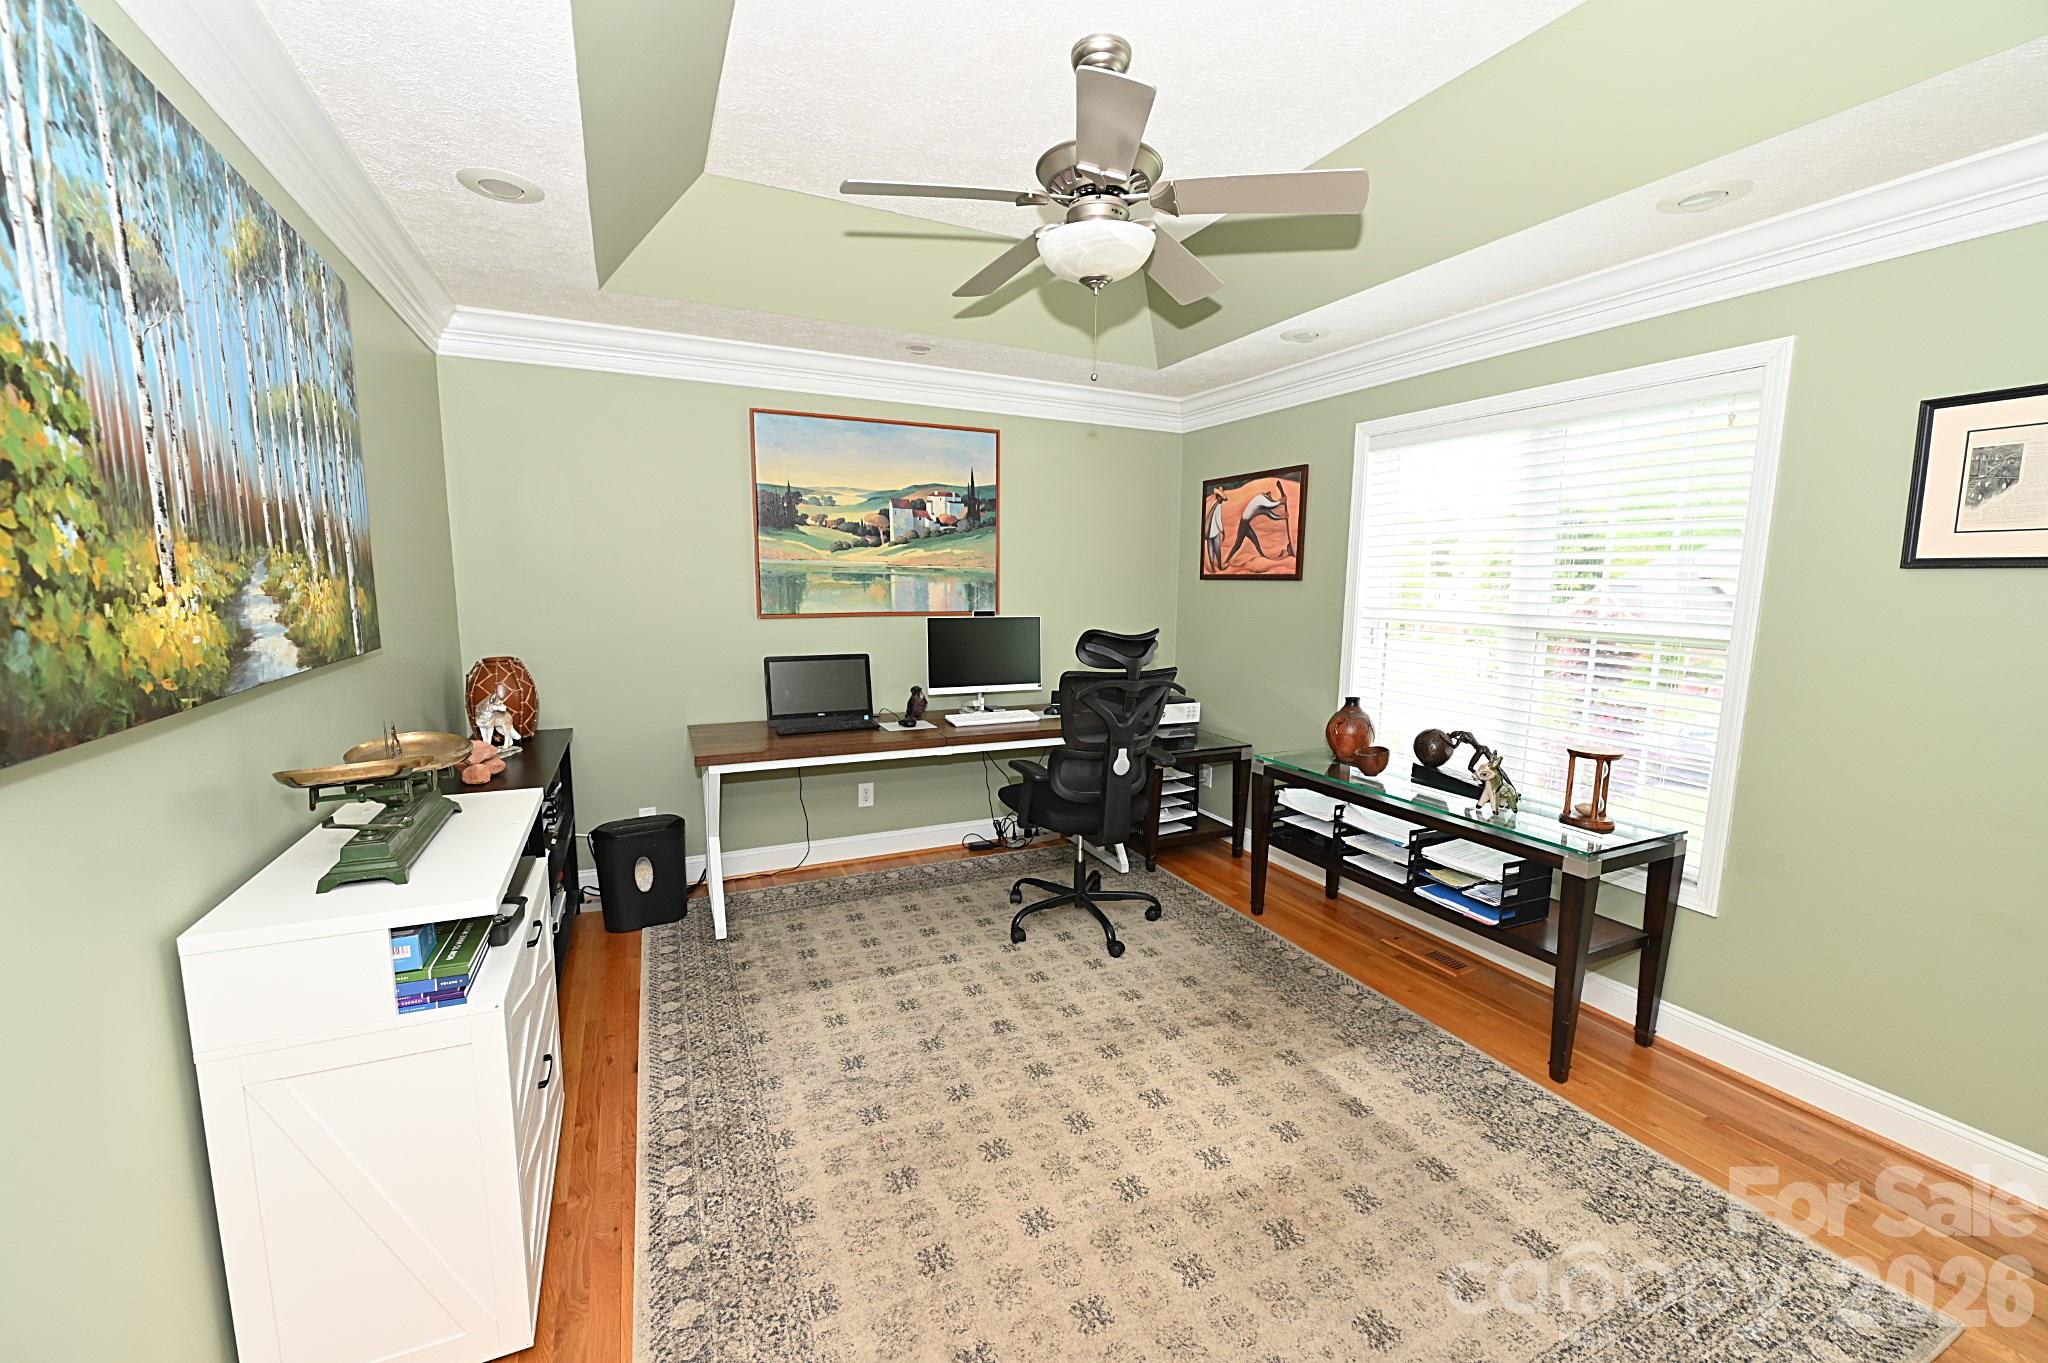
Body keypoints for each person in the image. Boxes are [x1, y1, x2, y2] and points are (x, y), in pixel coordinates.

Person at [1222, 478, 1293, 567]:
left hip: (1246, 523)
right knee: (1238, 543)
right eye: (1270, 498)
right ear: (1268, 495)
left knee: (1255, 540)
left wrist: (1282, 516)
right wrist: (1280, 501)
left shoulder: (1261, 506)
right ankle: (1227, 561)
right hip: (1244, 523)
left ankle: (1262, 556)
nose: (1271, 500)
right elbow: (1271, 504)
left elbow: (1270, 513)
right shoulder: (1261, 499)